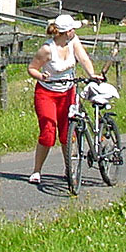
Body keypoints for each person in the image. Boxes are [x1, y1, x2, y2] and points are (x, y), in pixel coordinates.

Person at [25, 13, 99, 185]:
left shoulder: (73, 42)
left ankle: (69, 168)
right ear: (66, 32)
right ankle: (37, 171)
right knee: (48, 132)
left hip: (68, 92)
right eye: (73, 29)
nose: (74, 31)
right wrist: (41, 76)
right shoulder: (47, 49)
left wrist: (92, 75)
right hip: (47, 93)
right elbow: (32, 68)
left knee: (67, 133)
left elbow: (83, 58)